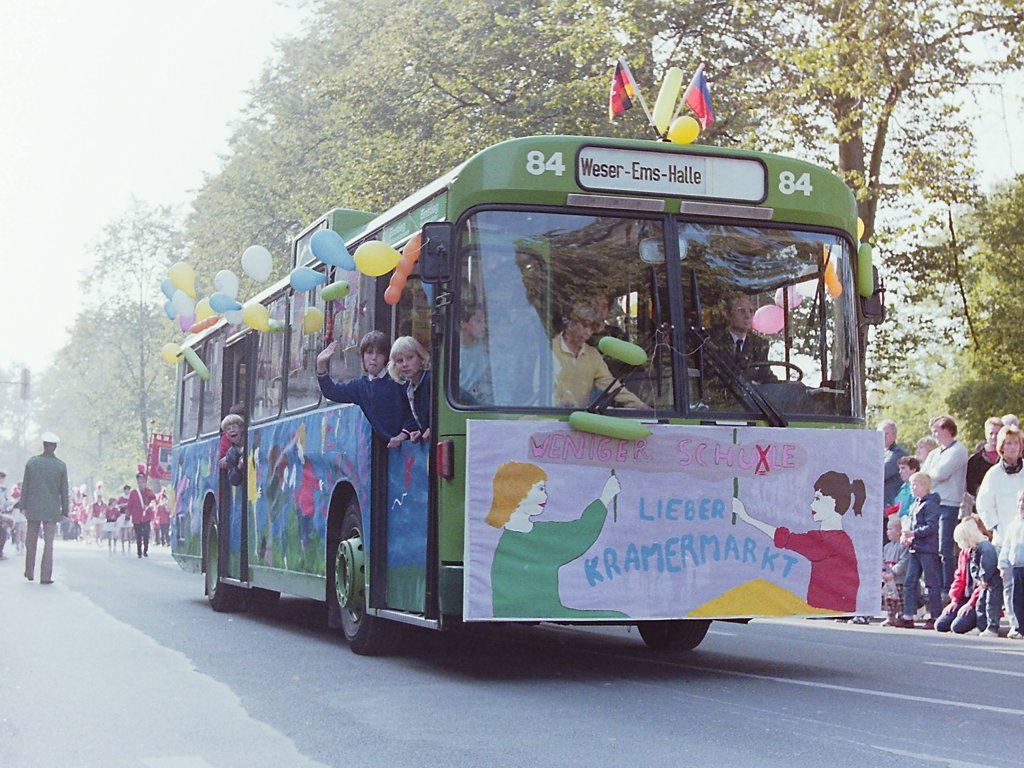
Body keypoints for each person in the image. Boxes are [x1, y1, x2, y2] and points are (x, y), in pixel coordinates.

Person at [732, 470, 864, 613]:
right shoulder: (836, 539)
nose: (812, 505)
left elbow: (786, 539)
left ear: (835, 501)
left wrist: (747, 518)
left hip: (829, 612)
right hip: (826, 611)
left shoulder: (830, 541)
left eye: (818, 499)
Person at [317, 331, 412, 448]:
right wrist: (321, 364)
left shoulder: (399, 380)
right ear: (362, 356)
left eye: (379, 353)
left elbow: (414, 410)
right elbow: (331, 392)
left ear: (386, 357)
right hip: (389, 446)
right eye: (369, 352)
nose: (374, 358)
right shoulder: (360, 386)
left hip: (411, 443)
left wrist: (403, 435)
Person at [976, 423, 1024, 638]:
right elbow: (984, 504)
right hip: (1004, 537)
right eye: (1008, 443)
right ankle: (1015, 624)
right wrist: (995, 526)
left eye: (1016, 443)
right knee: (1009, 584)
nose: (1012, 447)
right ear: (1002, 447)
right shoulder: (993, 474)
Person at [552, 301, 647, 409]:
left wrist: (641, 407)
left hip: (577, 417)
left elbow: (611, 385)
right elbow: (539, 387)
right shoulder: (549, 349)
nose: (588, 332)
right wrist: (556, 404)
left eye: (592, 329)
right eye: (584, 326)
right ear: (572, 322)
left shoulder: (593, 355)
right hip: (548, 415)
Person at [921, 415, 968, 592]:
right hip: (932, 502)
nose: (934, 434)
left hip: (949, 504)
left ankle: (948, 586)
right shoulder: (934, 453)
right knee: (932, 546)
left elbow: (941, 473)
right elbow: (923, 475)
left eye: (936, 431)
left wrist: (929, 478)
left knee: (945, 547)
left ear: (947, 430)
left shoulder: (959, 450)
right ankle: (935, 585)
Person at [892, 471, 942, 629]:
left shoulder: (930, 504)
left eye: (915, 485)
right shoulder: (915, 504)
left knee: (931, 583)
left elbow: (931, 527)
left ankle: (935, 615)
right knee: (910, 582)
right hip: (915, 548)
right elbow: (910, 524)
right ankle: (908, 615)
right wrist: (907, 537)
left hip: (927, 549)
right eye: (911, 485)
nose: (912, 488)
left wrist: (913, 534)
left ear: (925, 486)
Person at [19, 432, 69, 584]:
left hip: (33, 508)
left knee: (31, 541)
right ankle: (45, 576)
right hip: (51, 509)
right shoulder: (61, 466)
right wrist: (65, 510)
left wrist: (23, 505)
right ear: (55, 447)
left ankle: (29, 571)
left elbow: (25, 486)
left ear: (43, 445)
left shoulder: (32, 463)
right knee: (48, 544)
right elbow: (64, 491)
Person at [934, 516, 993, 634]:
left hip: (978, 599)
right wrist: (954, 600)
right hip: (964, 596)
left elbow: (982, 583)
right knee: (940, 625)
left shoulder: (985, 550)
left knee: (957, 627)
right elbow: (959, 577)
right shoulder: (964, 553)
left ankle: (977, 623)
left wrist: (971, 604)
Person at [709, 293, 777, 384]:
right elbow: (710, 379)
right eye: (741, 311)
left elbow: (766, 377)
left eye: (751, 311)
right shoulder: (714, 343)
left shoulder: (759, 344)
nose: (747, 316)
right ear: (728, 314)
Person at [388, 335, 432, 444]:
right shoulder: (411, 387)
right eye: (399, 360)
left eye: (410, 357)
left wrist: (433, 429)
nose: (405, 364)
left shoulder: (431, 381)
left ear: (421, 357)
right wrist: (421, 431)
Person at [997, 491, 1024, 639]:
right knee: (1016, 599)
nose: (1021, 505)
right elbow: (1006, 546)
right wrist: (1003, 565)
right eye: (1020, 501)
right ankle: (1019, 627)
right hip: (1017, 567)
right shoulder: (1013, 525)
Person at [963, 416, 1002, 518]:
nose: (994, 437)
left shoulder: (1009, 457)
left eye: (997, 433)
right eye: (991, 433)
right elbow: (970, 484)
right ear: (986, 434)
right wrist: (981, 490)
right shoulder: (974, 460)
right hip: (982, 505)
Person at [458, 304, 493, 405]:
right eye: (479, 321)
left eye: (486, 322)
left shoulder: (488, 350)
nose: (484, 326)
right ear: (463, 323)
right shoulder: (452, 353)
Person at [881, 514, 908, 626]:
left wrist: (894, 572)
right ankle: (890, 616)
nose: (888, 532)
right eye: (887, 529)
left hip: (899, 579)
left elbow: (903, 562)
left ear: (899, 531)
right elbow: (882, 560)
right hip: (888, 579)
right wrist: (883, 571)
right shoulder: (886, 547)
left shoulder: (903, 546)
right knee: (889, 598)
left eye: (890, 529)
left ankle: (901, 616)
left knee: (900, 599)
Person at [127, 470, 156, 558]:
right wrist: (128, 515)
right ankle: (139, 551)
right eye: (139, 482)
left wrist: (148, 493)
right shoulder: (134, 493)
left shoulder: (148, 491)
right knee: (138, 535)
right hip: (137, 517)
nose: (141, 484)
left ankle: (145, 550)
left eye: (142, 481)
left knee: (146, 534)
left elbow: (153, 498)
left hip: (146, 516)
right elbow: (130, 505)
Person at [879, 420, 907, 508]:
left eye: (886, 433)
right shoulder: (879, 452)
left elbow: (882, 473)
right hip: (879, 501)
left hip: (890, 503)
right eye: (881, 433)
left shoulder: (898, 454)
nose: (883, 436)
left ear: (894, 435)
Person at [219, 413, 246, 486]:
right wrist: (239, 467)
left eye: (234, 427)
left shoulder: (251, 442)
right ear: (226, 435)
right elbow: (234, 480)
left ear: (241, 428)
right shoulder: (231, 453)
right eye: (228, 429)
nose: (231, 430)